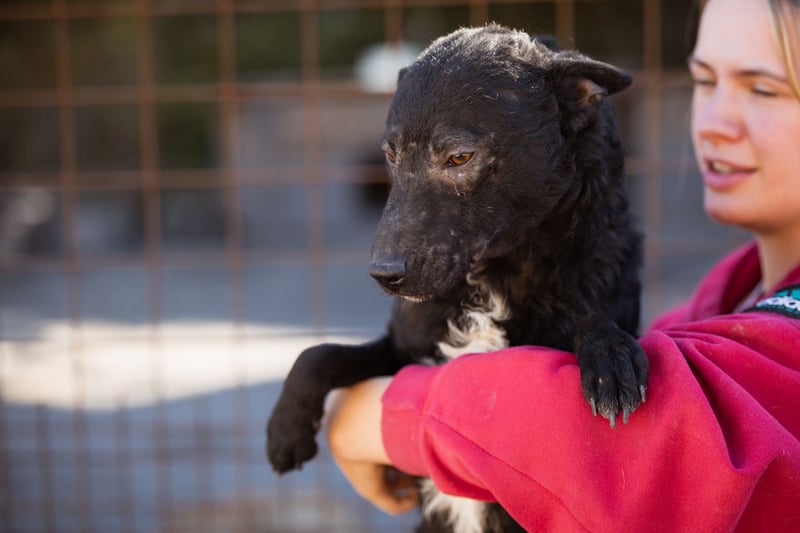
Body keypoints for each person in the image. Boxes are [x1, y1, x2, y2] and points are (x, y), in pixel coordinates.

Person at [323, 0, 800, 530]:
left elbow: (634, 458)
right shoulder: (714, 305)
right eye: (704, 81)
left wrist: (377, 415)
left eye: (764, 89)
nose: (714, 123)